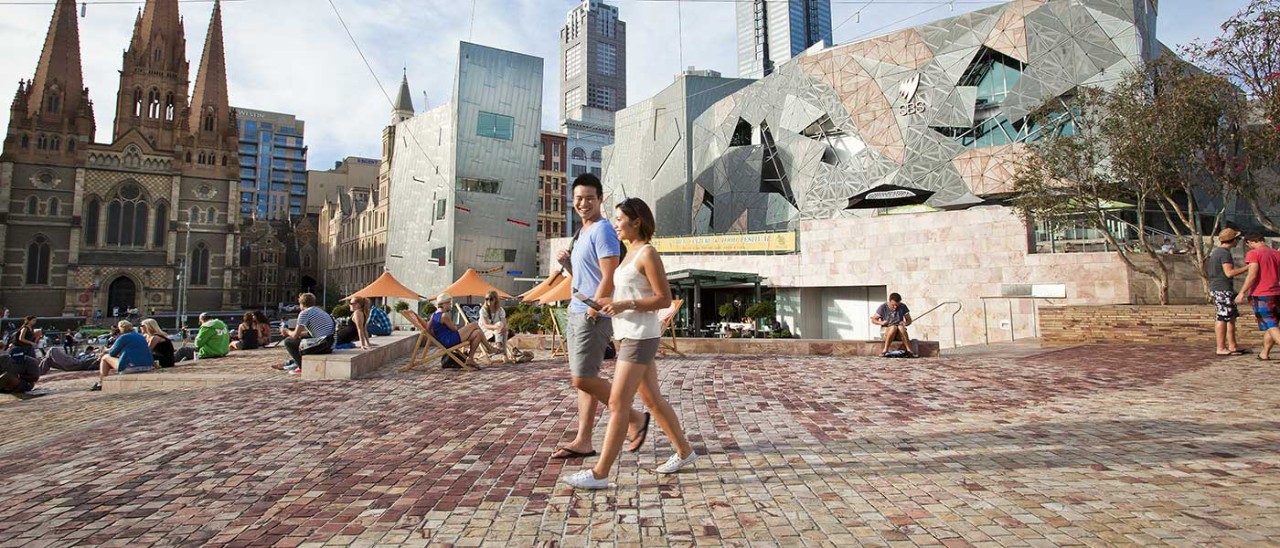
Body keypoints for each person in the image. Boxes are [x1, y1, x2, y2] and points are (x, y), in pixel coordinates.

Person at [562, 197, 697, 489]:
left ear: (636, 222)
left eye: (620, 220)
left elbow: (663, 298)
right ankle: (685, 452)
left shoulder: (647, 253)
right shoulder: (629, 252)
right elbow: (621, 291)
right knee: (651, 399)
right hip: (626, 335)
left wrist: (624, 304)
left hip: (640, 336)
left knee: (617, 402)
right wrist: (604, 302)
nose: (615, 225)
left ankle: (600, 473)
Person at [552, 173, 645, 460]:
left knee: (581, 379)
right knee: (587, 378)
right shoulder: (583, 232)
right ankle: (584, 440)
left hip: (591, 314)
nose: (583, 203)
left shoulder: (603, 230)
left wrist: (596, 306)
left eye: (589, 198)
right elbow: (584, 276)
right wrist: (568, 263)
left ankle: (635, 418)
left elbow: (609, 275)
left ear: (600, 199)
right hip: (578, 309)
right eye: (578, 198)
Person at [1235, 232, 1280, 360]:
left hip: (1261, 294)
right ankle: (1264, 353)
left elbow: (1252, 274)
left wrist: (1242, 292)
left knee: (1270, 325)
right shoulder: (1277, 254)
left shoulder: (1254, 254)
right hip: (1276, 292)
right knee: (1272, 324)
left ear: (1250, 242)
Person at [1208, 228, 1249, 356]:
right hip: (1222, 289)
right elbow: (1229, 273)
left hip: (1222, 288)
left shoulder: (1217, 252)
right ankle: (1221, 347)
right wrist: (1248, 267)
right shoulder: (1224, 253)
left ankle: (1232, 345)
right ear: (1233, 240)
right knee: (1223, 317)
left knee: (1231, 317)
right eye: (1237, 238)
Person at [428, 293, 496, 369]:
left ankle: (470, 359)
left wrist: (437, 337)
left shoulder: (433, 315)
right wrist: (453, 326)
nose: (450, 305)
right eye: (449, 303)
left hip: (445, 340)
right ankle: (489, 348)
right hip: (450, 340)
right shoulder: (444, 316)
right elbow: (454, 329)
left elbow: (428, 329)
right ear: (444, 304)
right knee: (474, 324)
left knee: (478, 333)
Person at [278, 292, 336, 374]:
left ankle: (301, 366)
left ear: (301, 304)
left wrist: (286, 331)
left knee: (288, 341)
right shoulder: (320, 311)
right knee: (300, 339)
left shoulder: (305, 313)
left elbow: (294, 335)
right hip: (329, 344)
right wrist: (299, 335)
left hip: (322, 346)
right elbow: (313, 333)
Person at [90, 320, 154, 391]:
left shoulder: (123, 337)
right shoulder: (140, 336)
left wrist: (105, 351)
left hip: (131, 366)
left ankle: (101, 382)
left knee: (105, 358)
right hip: (148, 366)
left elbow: (112, 353)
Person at [872, 293, 915, 357]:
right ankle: (885, 350)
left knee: (901, 328)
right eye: (893, 305)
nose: (895, 307)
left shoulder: (903, 306)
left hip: (899, 332)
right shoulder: (883, 307)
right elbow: (873, 319)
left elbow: (909, 320)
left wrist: (905, 323)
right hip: (887, 331)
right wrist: (881, 322)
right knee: (893, 328)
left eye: (897, 305)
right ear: (890, 301)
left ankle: (909, 350)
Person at [478, 290, 514, 362]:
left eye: (491, 299)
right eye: (487, 299)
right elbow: (486, 325)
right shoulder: (483, 310)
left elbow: (504, 322)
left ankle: (499, 345)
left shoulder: (500, 310)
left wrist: (505, 328)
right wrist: (496, 327)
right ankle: (504, 354)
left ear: (495, 300)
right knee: (500, 326)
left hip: (497, 331)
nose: (489, 301)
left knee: (503, 329)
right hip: (484, 331)